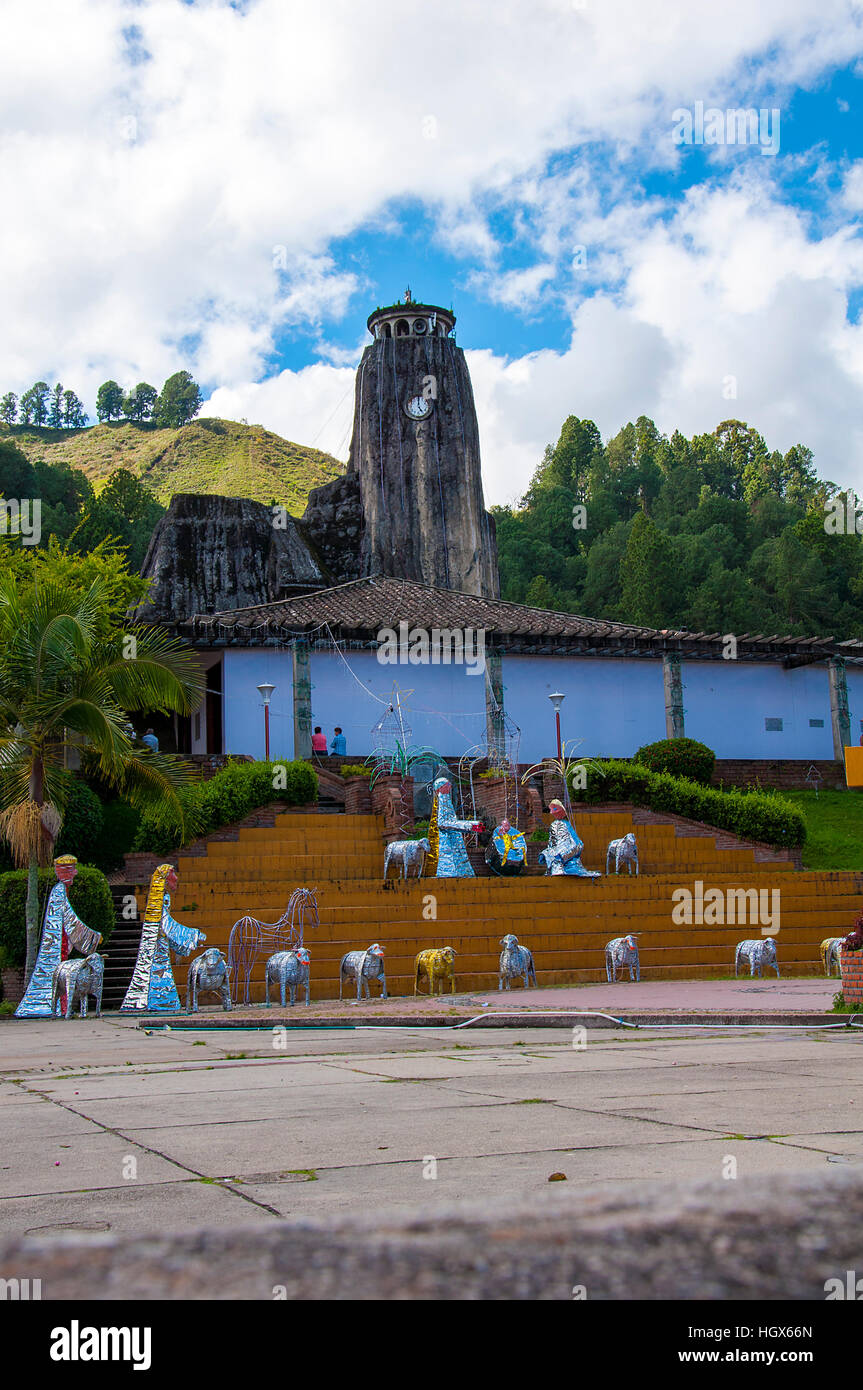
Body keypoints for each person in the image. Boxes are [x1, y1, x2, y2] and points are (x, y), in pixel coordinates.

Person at [15, 856, 103, 1018]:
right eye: (72, 869)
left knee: (63, 975)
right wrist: (92, 937)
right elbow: (71, 920)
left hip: (62, 942)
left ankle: (63, 1008)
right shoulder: (59, 891)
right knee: (61, 976)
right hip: (57, 944)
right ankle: (58, 1007)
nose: (75, 872)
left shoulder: (60, 890)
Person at [430, 776, 484, 878]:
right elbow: (442, 822)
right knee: (451, 858)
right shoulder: (442, 801)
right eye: (447, 785)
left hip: (454, 837)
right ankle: (450, 872)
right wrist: (466, 825)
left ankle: (462, 872)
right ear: (440, 788)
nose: (450, 786)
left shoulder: (446, 800)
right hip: (448, 838)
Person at [540, 799, 600, 878]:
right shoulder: (555, 825)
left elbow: (576, 842)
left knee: (571, 849)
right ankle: (558, 865)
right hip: (558, 850)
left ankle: (560, 865)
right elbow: (553, 841)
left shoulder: (564, 824)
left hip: (567, 850)